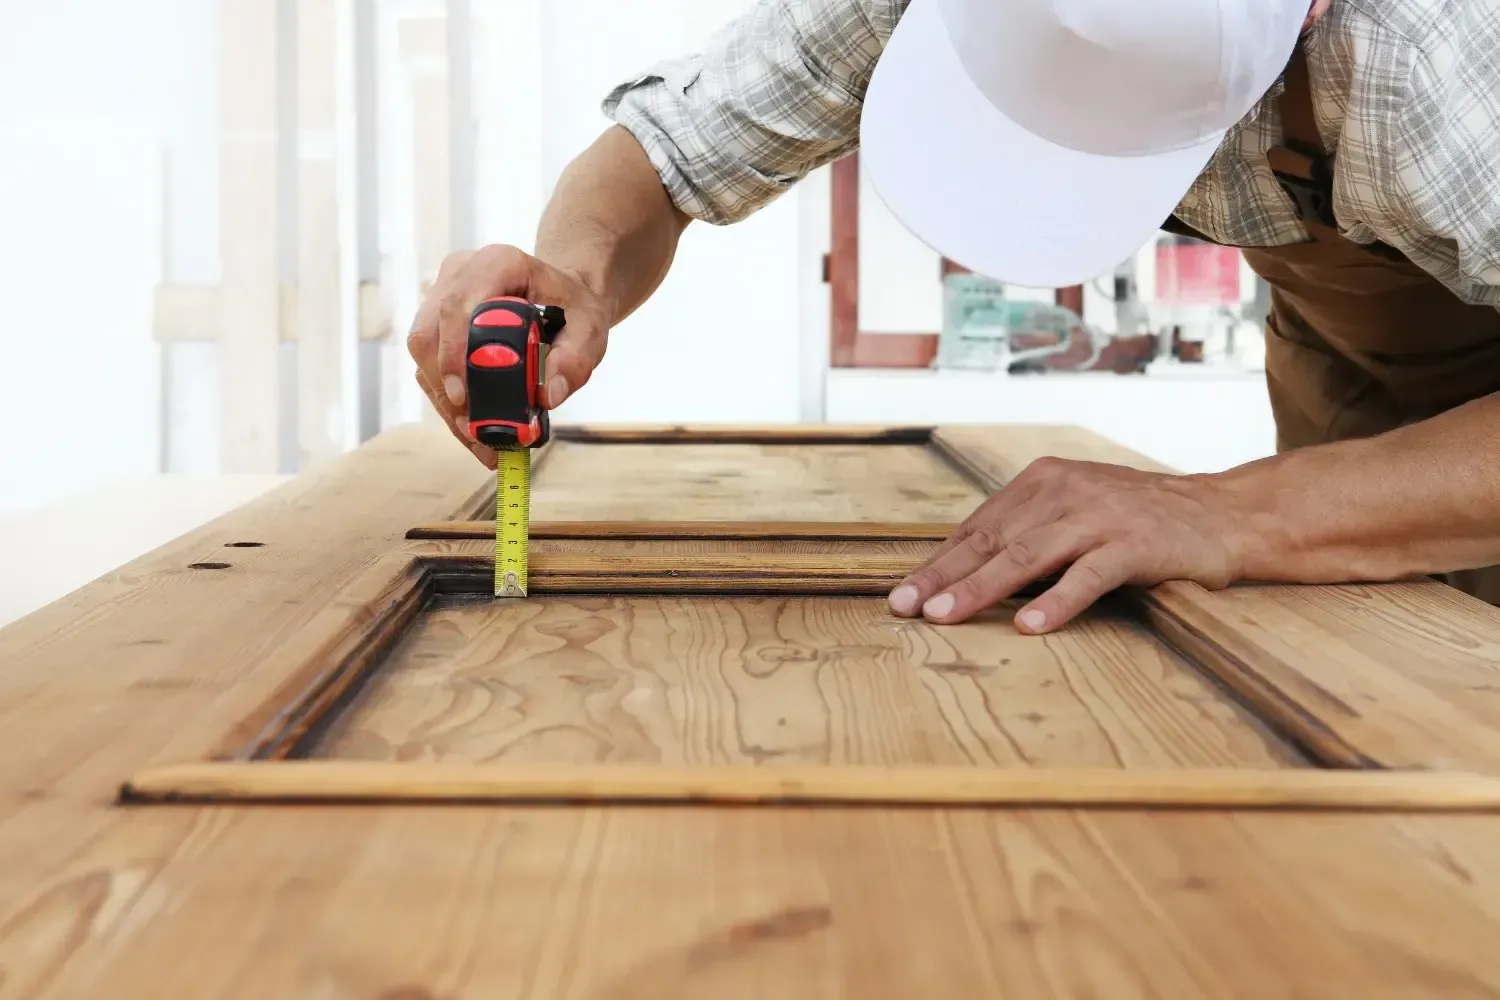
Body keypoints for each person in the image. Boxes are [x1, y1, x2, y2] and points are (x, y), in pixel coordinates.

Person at [406, 0, 1500, 635]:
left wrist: (1230, 514)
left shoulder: (1434, 59)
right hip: (1366, 374)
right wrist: (576, 274)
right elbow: (663, 155)